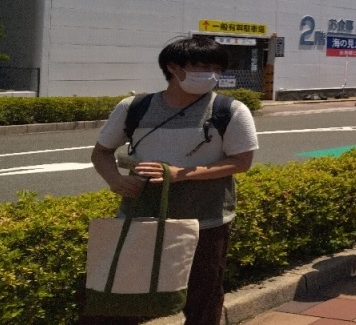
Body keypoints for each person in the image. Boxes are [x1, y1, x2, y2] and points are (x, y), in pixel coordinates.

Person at [88, 37, 259, 325]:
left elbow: (241, 162)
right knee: (124, 289)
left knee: (203, 294)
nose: (211, 74)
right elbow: (101, 153)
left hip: (206, 219)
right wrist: (114, 180)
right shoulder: (134, 107)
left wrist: (183, 174)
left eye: (217, 68)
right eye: (202, 66)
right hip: (140, 215)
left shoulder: (229, 110)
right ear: (173, 68)